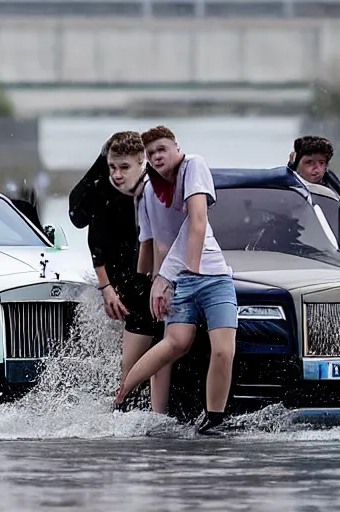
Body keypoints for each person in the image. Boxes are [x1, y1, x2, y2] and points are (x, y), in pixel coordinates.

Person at [113, 125, 237, 435]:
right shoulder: (150, 192)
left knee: (224, 350)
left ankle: (214, 419)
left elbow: (197, 222)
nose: (157, 156)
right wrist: (156, 284)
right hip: (180, 281)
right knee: (175, 343)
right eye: (151, 153)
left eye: (162, 149)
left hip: (214, 277)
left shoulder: (193, 165)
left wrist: (170, 277)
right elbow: (158, 245)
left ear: (176, 147)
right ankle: (120, 399)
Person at [68, 131, 171, 414]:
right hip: (126, 284)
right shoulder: (104, 191)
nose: (117, 174)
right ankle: (120, 407)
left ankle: (157, 413)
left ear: (143, 163)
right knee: (133, 363)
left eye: (124, 167)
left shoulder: (156, 188)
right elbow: (85, 228)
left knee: (164, 353)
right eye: (113, 167)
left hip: (157, 281)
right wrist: (106, 288)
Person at [287, 135, 340, 206]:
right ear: (296, 164)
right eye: (309, 162)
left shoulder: (333, 185)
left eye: (321, 162)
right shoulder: (286, 189)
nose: (316, 168)